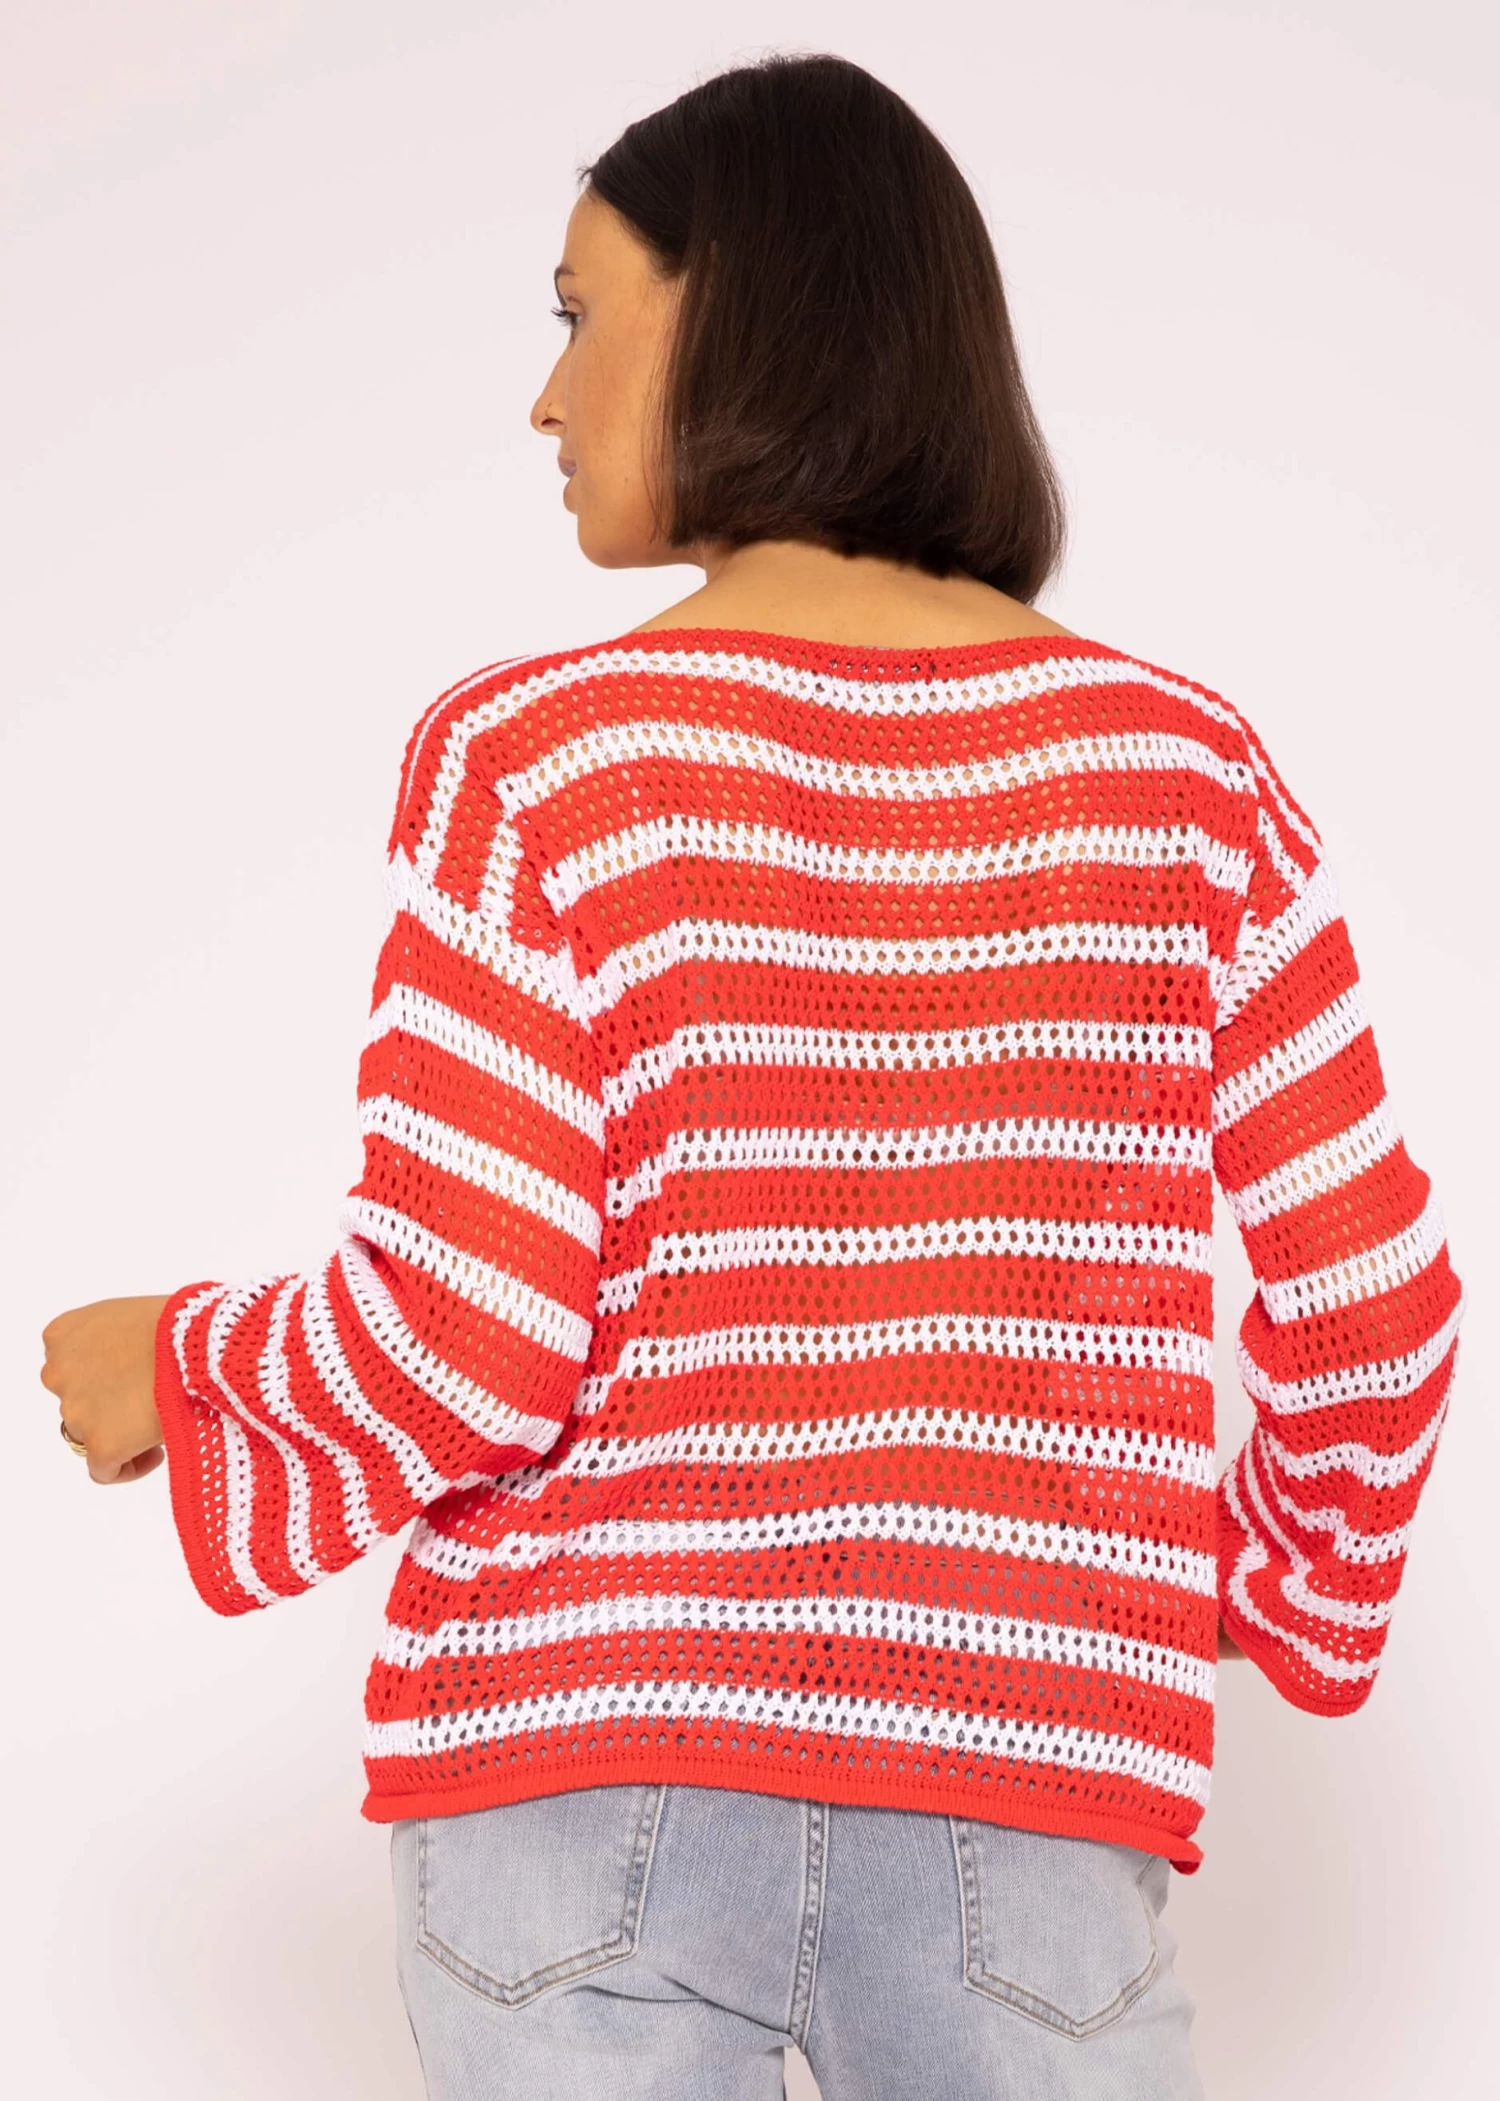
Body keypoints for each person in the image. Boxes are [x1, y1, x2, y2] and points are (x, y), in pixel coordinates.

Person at [40, 52, 1462, 2101]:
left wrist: (181, 1369)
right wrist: (1235, 1588)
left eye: (577, 315)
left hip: (580, 1786)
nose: (544, 401)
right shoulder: (1187, 778)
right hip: (1026, 1799)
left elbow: (471, 1330)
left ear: (739, 310)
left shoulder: (542, 762)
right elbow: (1375, 1305)